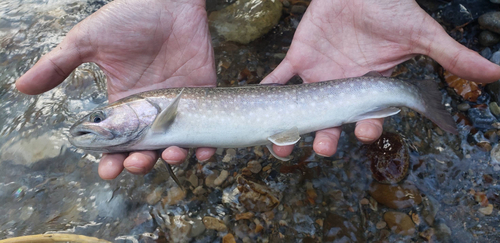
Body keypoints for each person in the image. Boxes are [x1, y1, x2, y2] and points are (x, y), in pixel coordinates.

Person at [16, 0, 500, 180]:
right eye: (97, 123)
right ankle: (404, 92)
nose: (94, 127)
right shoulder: (152, 124)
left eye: (99, 118)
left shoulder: (157, 117)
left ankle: (409, 91)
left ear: (142, 110)